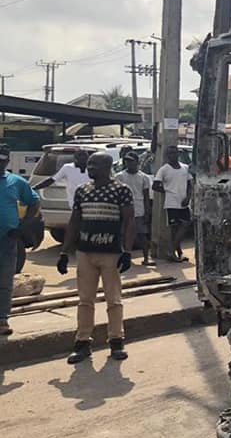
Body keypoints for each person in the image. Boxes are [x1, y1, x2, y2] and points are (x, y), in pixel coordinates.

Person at [58, 152, 134, 363]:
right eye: (89, 164)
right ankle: (82, 342)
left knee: (114, 300)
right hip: (85, 252)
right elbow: (74, 221)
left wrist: (127, 252)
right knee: (85, 300)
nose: (90, 167)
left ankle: (116, 341)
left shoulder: (121, 190)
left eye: (95, 164)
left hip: (111, 253)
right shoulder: (83, 191)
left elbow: (129, 222)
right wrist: (65, 252)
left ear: (107, 166)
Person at [0, 144, 40, 336]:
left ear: (7, 161)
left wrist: (24, 226)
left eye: (2, 160)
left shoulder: (16, 182)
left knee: (5, 280)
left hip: (7, 240)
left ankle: (2, 320)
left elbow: (34, 201)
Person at [153, 145, 193, 262]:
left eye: (175, 153)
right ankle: (175, 252)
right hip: (171, 203)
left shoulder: (185, 168)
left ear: (178, 154)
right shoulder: (164, 169)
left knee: (185, 224)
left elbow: (190, 184)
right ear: (167, 156)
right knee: (174, 229)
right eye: (170, 153)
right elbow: (155, 185)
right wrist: (167, 190)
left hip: (183, 202)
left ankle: (174, 251)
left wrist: (188, 197)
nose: (173, 155)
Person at [116, 152, 152, 265]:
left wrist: (147, 212)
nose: (128, 163)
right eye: (127, 161)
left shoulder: (144, 177)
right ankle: (125, 256)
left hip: (139, 210)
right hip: (123, 211)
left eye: (131, 161)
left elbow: (146, 196)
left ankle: (146, 258)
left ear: (137, 162)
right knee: (123, 235)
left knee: (142, 236)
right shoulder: (120, 176)